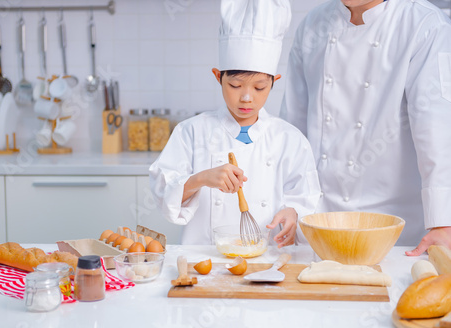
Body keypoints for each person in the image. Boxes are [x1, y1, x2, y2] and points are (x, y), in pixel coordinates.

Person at [281, 0, 451, 255]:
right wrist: (289, 202)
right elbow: (293, 127)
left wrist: (443, 222)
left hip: (396, 230)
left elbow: (436, 127)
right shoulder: (312, 25)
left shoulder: (424, 24)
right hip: (319, 223)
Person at [149, 0, 321, 246]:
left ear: (274, 82)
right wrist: (201, 178)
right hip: (204, 264)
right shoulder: (191, 132)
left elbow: (307, 200)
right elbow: (163, 193)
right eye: (235, 85)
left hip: (268, 263)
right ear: (218, 77)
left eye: (260, 87)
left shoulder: (289, 139)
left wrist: (293, 213)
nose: (247, 97)